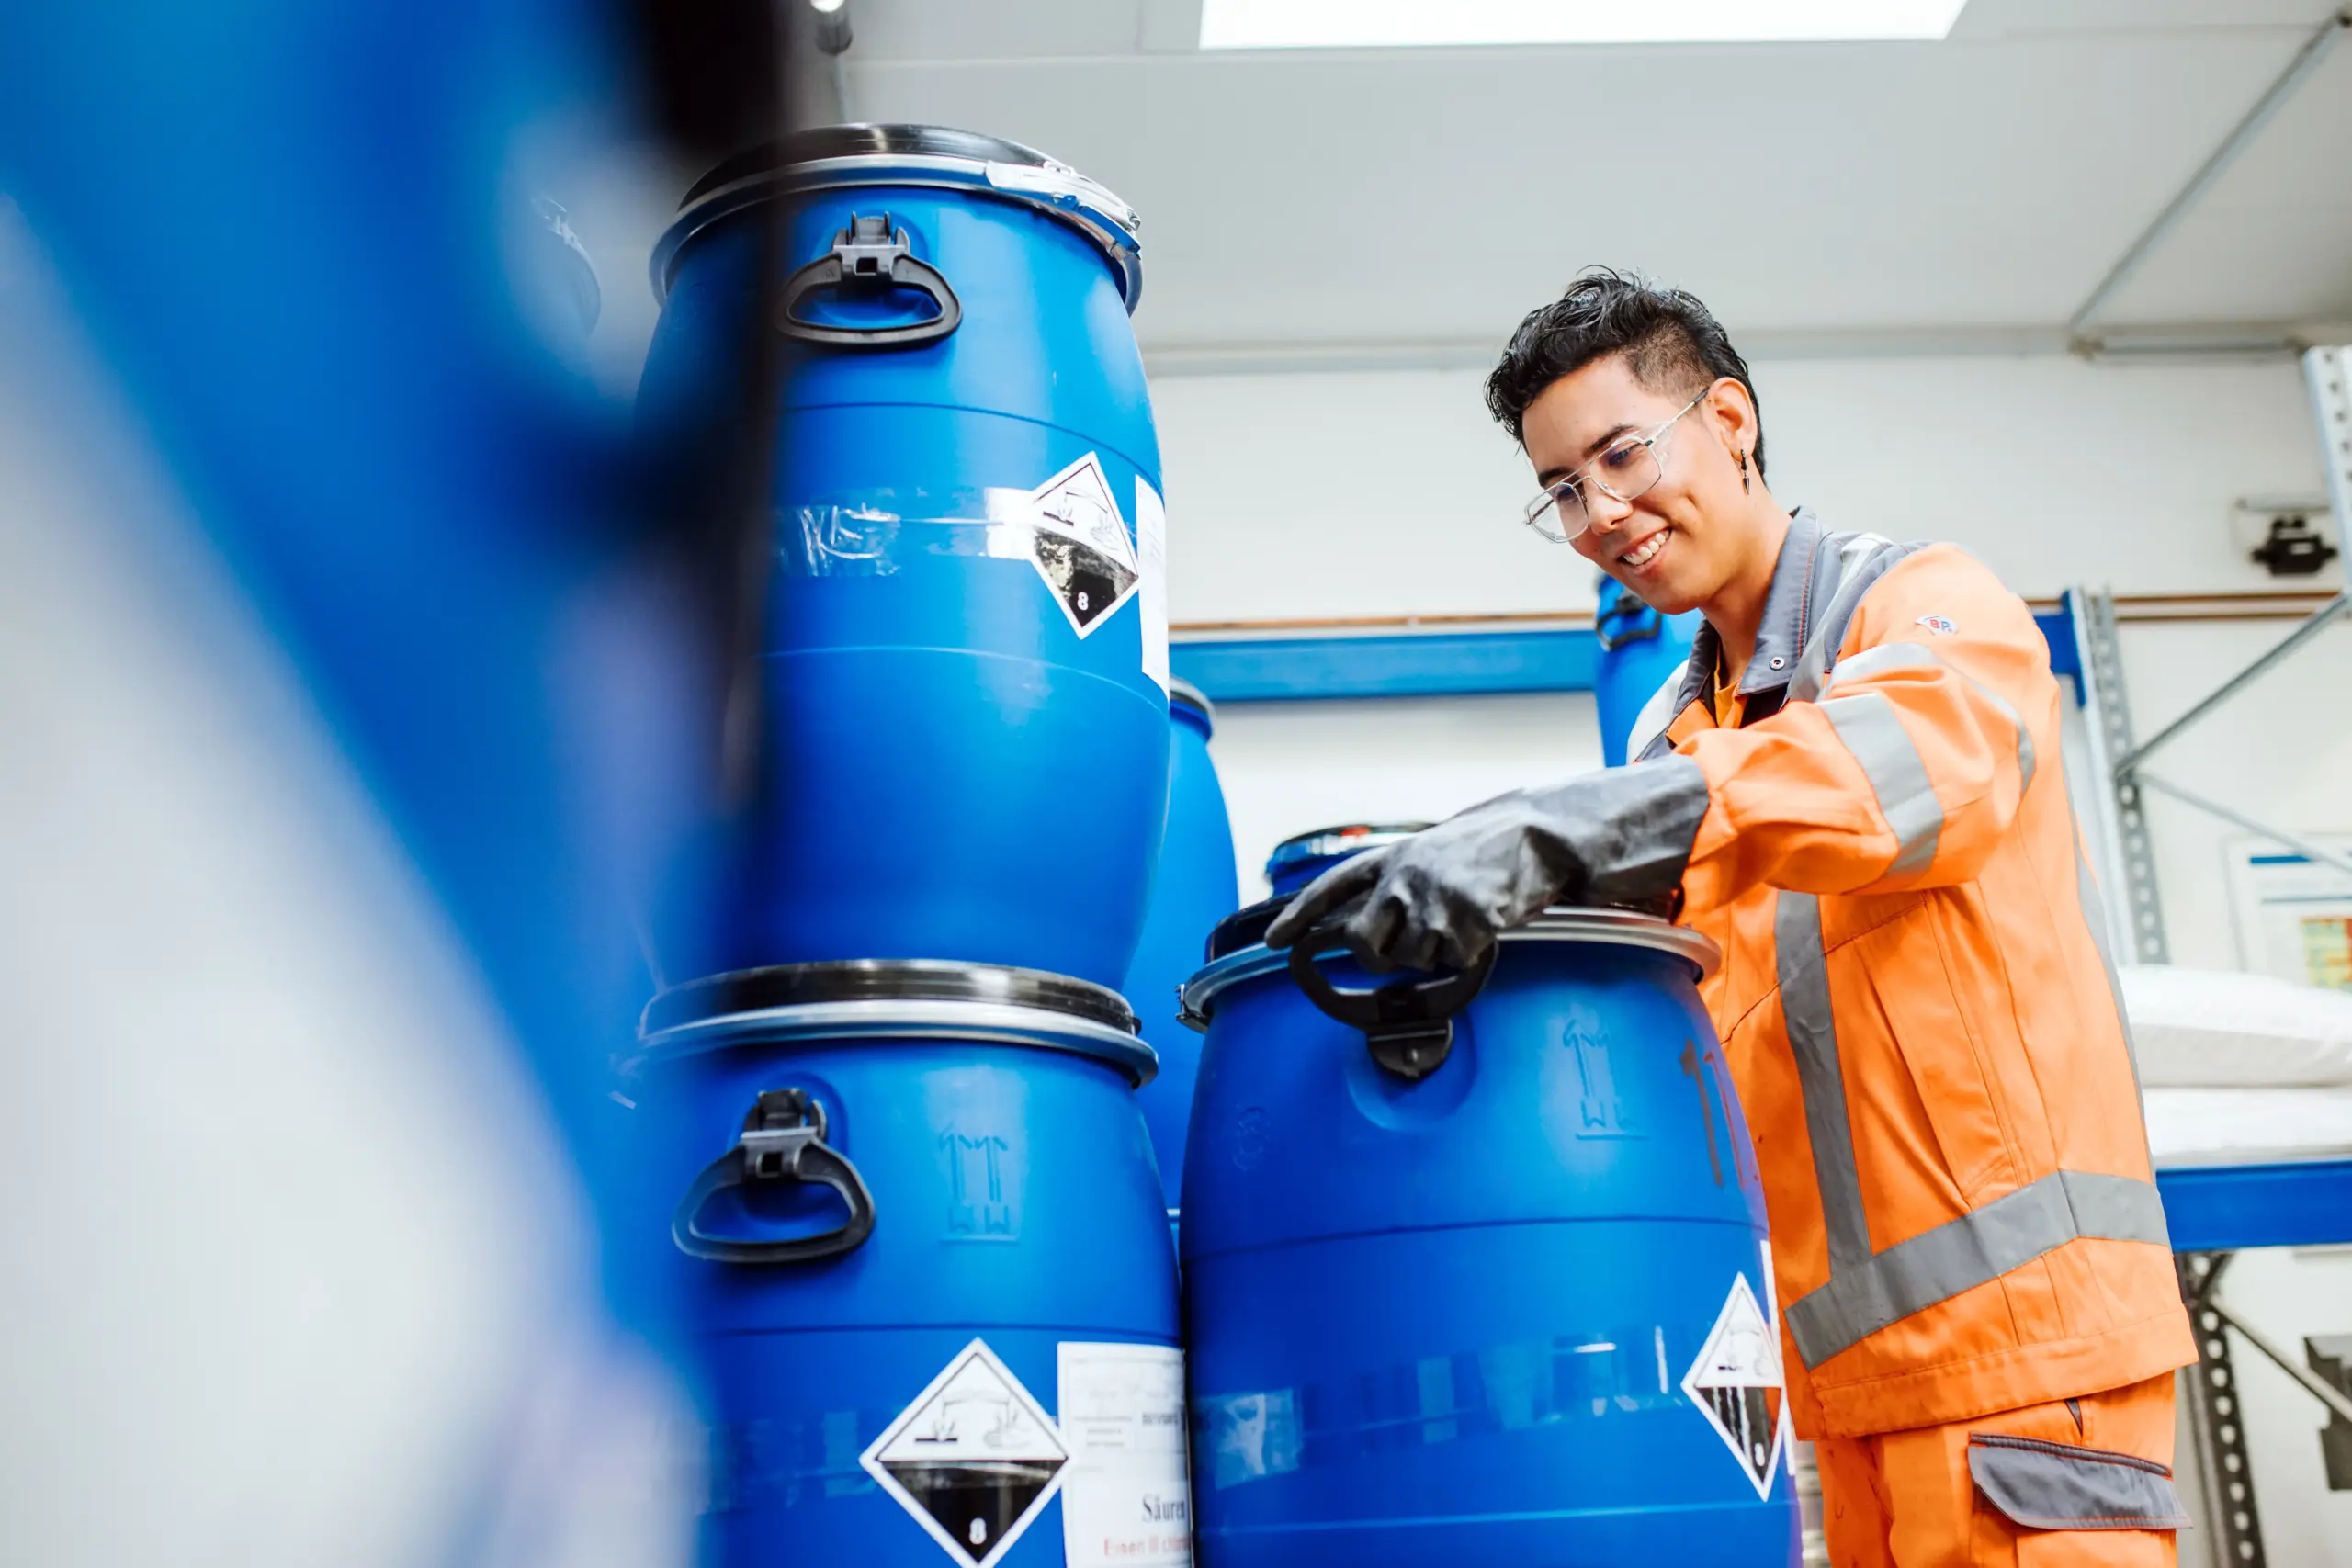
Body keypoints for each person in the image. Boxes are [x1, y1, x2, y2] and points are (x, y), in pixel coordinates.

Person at [1265, 271, 2198, 1567]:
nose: (1602, 513)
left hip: (2024, 1366)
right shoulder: (1681, 735)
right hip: (1829, 1392)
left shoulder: (1922, 609)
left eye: (1622, 452)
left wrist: (1564, 825)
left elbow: (1901, 767)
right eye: (1563, 490)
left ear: (1733, 419)